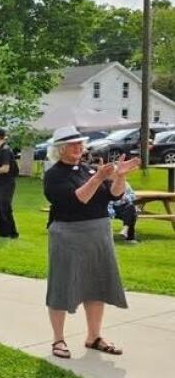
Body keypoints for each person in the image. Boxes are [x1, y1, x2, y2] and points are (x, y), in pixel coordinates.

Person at [44, 125, 140, 359]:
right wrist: (98, 177)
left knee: (97, 284)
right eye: (72, 144)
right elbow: (79, 199)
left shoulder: (88, 169)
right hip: (68, 234)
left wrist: (120, 176)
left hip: (98, 232)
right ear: (60, 149)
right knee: (62, 284)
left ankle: (94, 336)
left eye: (80, 143)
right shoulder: (54, 175)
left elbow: (115, 195)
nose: (79, 147)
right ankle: (58, 339)